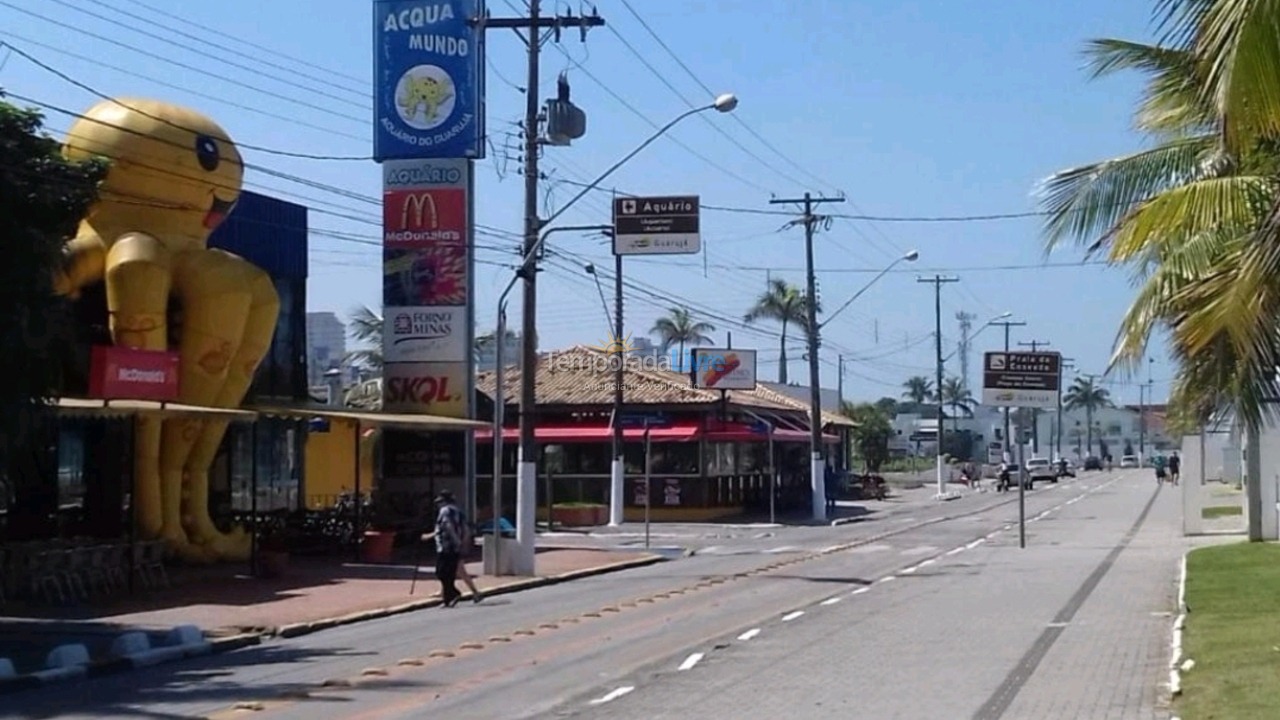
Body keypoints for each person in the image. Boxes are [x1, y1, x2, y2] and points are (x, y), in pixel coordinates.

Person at [425, 490, 465, 608]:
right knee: (449, 573)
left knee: (441, 572)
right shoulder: (458, 511)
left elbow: (447, 526)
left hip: (446, 546)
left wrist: (454, 540)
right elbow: (463, 527)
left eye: (440, 501)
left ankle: (453, 594)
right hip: (454, 546)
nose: (438, 504)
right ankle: (448, 599)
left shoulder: (445, 511)